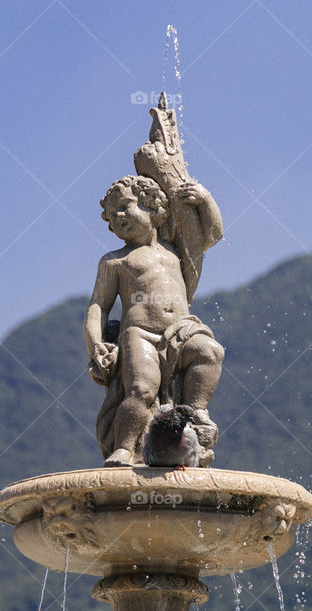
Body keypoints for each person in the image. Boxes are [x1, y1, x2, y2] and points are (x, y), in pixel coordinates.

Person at [85, 174, 224, 466]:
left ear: (152, 206)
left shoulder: (175, 250)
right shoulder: (115, 261)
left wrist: (205, 200)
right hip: (140, 333)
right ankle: (123, 447)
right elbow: (99, 305)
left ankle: (194, 411)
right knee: (141, 390)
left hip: (182, 330)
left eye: (125, 206)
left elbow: (212, 236)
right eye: (113, 215)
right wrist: (96, 343)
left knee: (210, 352)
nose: (119, 216)